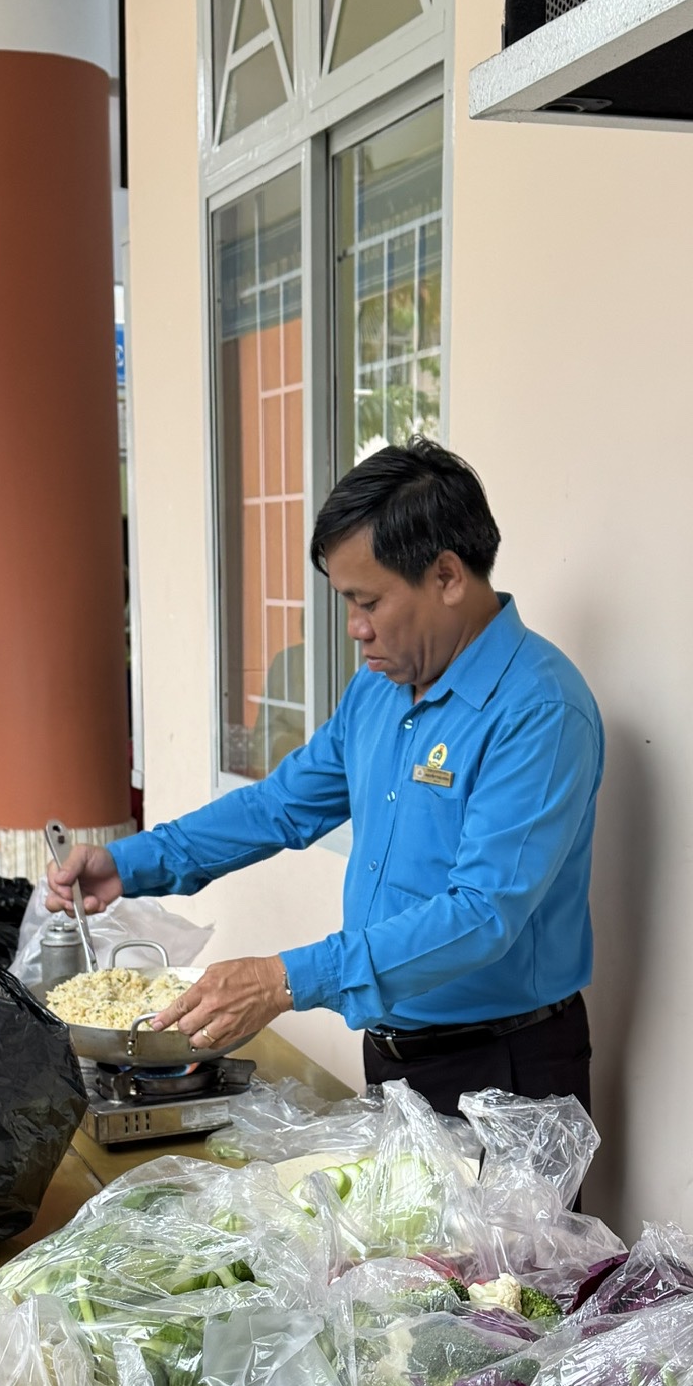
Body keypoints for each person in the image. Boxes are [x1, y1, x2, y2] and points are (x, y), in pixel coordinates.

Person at [46, 441, 605, 1118]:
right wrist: (128, 863)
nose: (354, 630)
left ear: (447, 576)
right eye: (346, 602)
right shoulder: (380, 690)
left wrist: (283, 980)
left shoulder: (538, 710)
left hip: (504, 1069)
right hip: (391, 1054)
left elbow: (483, 914)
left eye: (368, 601)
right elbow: (281, 805)